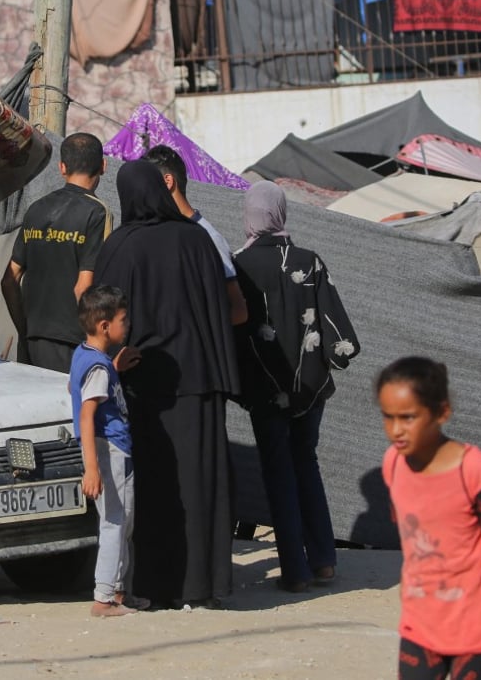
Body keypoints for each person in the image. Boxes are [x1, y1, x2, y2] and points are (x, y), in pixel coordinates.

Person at [94, 160, 240, 608]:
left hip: (145, 386)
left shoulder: (120, 246)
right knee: (201, 484)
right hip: (200, 382)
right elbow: (222, 310)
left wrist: (110, 363)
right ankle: (207, 587)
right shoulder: (196, 240)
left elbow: (102, 317)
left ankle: (154, 588)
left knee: (156, 490)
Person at [377, 356, 481, 680]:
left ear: (442, 412)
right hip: (419, 623)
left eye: (408, 417)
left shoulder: (473, 469)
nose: (396, 429)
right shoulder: (392, 465)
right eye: (388, 417)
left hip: (475, 626)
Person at [232, 180, 360, 592]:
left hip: (264, 387)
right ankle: (323, 560)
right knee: (306, 461)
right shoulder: (309, 261)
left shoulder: (235, 266)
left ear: (249, 215)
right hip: (309, 385)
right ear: (281, 212)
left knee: (278, 470)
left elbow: (232, 331)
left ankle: (295, 570)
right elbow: (337, 330)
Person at [1, 132, 111, 373]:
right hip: (72, 344)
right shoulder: (98, 213)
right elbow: (84, 288)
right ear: (103, 166)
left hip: (31, 339)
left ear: (62, 167)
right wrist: (97, 343)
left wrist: (24, 329)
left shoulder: (36, 209)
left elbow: (10, 280)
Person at [68, 285, 145, 617]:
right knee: (115, 521)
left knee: (123, 520)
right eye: (122, 320)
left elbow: (75, 387)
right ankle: (104, 597)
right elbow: (87, 414)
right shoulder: (97, 368)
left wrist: (115, 366)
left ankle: (118, 592)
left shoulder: (88, 357)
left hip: (111, 449)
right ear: (104, 326)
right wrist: (92, 468)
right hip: (109, 449)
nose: (126, 325)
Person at [143, 145, 248, 325]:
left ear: (168, 181)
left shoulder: (207, 236)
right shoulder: (157, 234)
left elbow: (238, 311)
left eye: (147, 184)